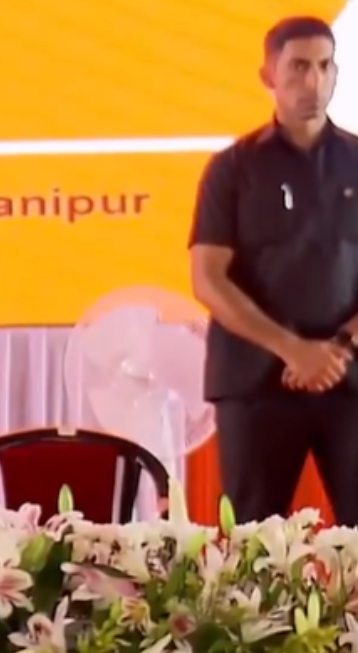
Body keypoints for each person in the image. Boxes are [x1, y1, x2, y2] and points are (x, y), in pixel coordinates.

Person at [189, 17, 358, 524]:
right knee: (253, 541)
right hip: (255, 383)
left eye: (324, 66)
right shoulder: (232, 168)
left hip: (350, 376)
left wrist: (338, 348)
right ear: (268, 76)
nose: (314, 81)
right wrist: (293, 349)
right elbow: (208, 277)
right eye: (298, 67)